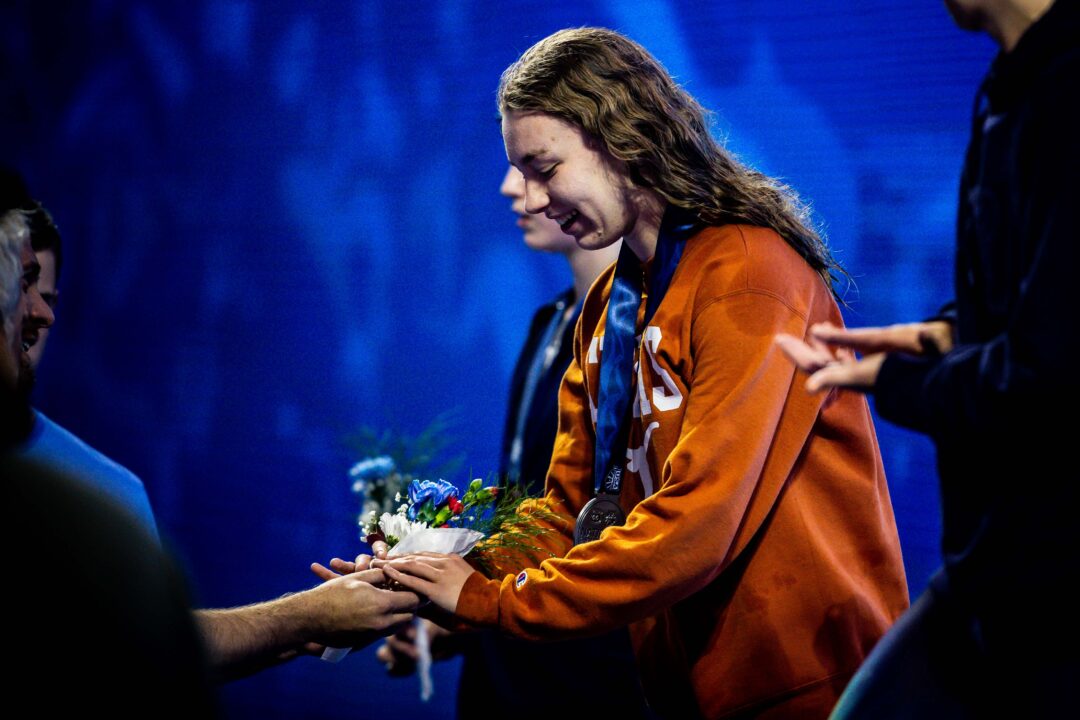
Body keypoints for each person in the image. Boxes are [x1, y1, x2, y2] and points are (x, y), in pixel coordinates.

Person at [380, 28, 909, 719]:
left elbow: (698, 522)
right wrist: (433, 574)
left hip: (808, 688)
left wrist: (489, 599)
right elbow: (568, 512)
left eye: (545, 168)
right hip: (687, 692)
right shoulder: (608, 309)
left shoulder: (748, 274)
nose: (532, 199)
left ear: (619, 137)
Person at [774, 0, 1078, 715]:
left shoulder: (1068, 95)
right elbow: (1033, 307)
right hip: (999, 570)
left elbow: (1050, 374)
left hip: (1058, 588)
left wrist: (898, 380)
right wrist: (941, 335)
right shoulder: (1016, 86)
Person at [0, 181, 422, 681]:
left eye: (43, 293)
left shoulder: (109, 490)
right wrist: (310, 616)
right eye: (20, 287)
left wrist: (314, 619)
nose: (40, 314)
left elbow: (154, 652)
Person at [376, 168, 649, 718]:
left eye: (538, 169)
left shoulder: (649, 332)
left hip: (593, 680)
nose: (507, 187)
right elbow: (535, 513)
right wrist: (464, 618)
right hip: (506, 676)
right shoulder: (548, 324)